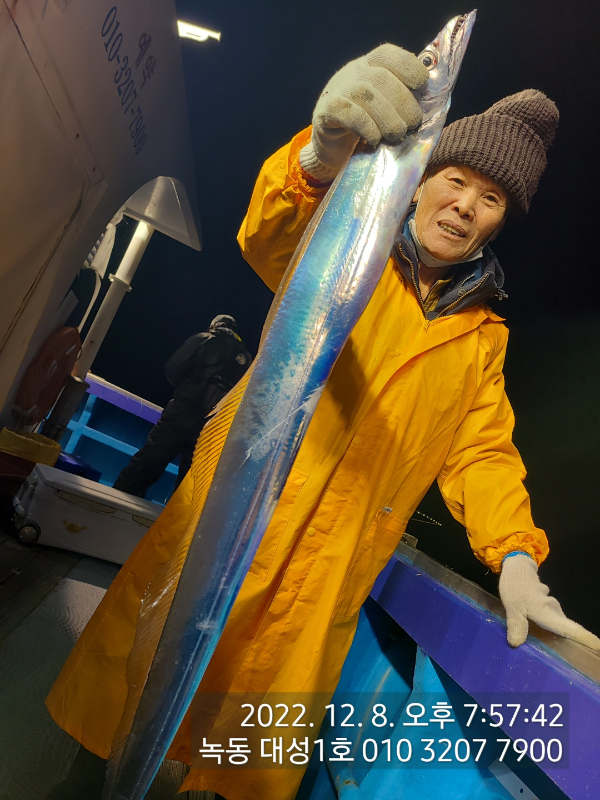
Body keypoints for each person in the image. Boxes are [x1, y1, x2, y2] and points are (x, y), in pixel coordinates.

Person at [46, 44, 600, 800]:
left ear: (500, 223)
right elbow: (272, 234)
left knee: (236, 755)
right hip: (227, 531)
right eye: (456, 179)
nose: (466, 205)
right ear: (420, 180)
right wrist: (317, 156)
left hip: (324, 582)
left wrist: (516, 557)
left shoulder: (482, 341)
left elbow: (481, 452)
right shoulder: (350, 246)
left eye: (492, 198)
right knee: (127, 703)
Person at [113, 314, 251, 497]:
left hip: (181, 413)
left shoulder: (205, 338)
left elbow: (173, 368)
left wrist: (188, 388)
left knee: (147, 463)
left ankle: (118, 499)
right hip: (210, 428)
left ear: (215, 325)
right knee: (190, 484)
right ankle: (175, 514)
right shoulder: (246, 359)